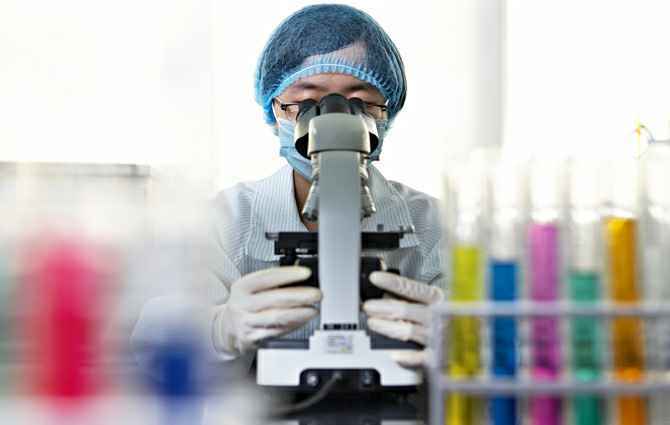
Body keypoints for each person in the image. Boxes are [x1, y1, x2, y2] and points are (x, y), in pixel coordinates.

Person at [133, 4, 445, 373]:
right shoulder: (224, 219)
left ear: (385, 112)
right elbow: (152, 338)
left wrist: (458, 336)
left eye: (359, 102)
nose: (333, 118)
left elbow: (494, 345)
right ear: (276, 110)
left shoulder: (436, 224)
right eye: (307, 102)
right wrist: (219, 328)